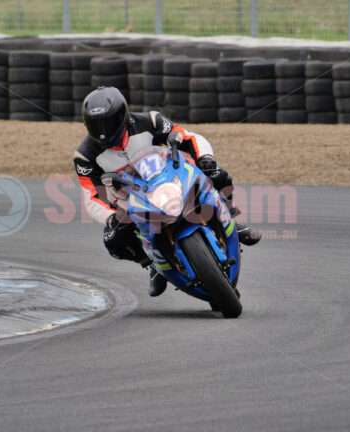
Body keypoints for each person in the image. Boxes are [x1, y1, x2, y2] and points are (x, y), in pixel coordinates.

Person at [74, 86, 261, 297]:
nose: (103, 131)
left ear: (122, 115)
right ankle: (152, 263)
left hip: (171, 177)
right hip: (132, 199)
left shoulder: (150, 121)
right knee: (113, 241)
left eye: (108, 123)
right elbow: (91, 196)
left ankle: (231, 220)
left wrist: (206, 159)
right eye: (95, 124)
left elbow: (188, 137)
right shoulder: (85, 157)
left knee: (218, 175)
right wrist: (111, 217)